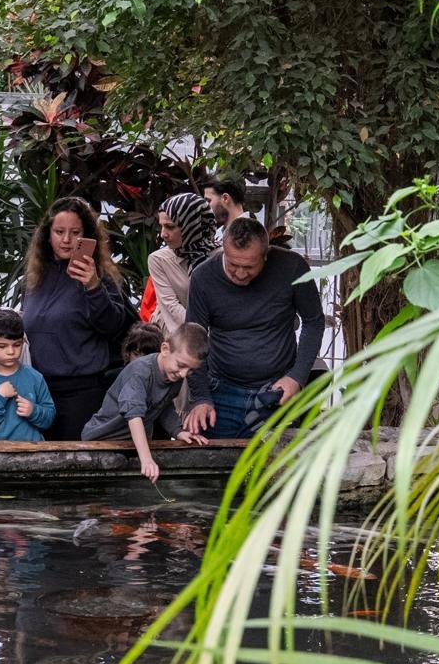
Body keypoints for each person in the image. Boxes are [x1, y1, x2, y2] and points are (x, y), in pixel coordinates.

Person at [183, 217, 327, 439]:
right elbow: (194, 339)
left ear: (265, 255)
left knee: (277, 460)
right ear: (224, 251)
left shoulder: (292, 267)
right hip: (221, 391)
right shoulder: (203, 277)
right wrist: (201, 397)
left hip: (276, 391)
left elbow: (314, 322)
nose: (241, 274)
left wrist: (296, 377)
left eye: (249, 267)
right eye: (233, 265)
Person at [20, 197, 134, 440]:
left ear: (87, 236)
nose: (66, 239)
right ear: (47, 235)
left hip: (82, 393)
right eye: (59, 231)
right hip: (38, 392)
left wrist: (93, 287)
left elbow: (114, 326)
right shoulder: (35, 279)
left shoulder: (100, 277)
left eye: (75, 233)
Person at [83, 322, 211, 482]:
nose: (184, 374)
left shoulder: (174, 374)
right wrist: (146, 459)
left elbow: (163, 405)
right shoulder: (140, 373)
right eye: (181, 365)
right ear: (165, 349)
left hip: (131, 444)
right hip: (101, 441)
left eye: (191, 370)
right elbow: (134, 416)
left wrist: (178, 431)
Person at [0, 309, 55, 442]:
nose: (11, 351)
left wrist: (33, 411)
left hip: (32, 449)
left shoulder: (35, 377)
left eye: (17, 345)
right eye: (2, 346)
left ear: (23, 342)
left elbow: (49, 418)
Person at [148, 192, 219, 331]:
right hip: (175, 332)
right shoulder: (159, 259)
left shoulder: (221, 257)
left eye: (170, 226)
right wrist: (202, 332)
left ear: (192, 225)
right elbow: (171, 306)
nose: (163, 234)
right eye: (161, 226)